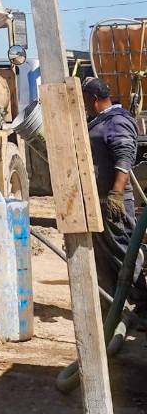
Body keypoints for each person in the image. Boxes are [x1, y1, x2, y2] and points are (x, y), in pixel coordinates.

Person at [81, 76, 142, 299]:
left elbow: (124, 160)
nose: (85, 105)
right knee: (109, 254)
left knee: (123, 251)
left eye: (86, 100)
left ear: (94, 99)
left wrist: (116, 194)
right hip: (101, 199)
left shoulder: (117, 122)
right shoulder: (101, 120)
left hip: (114, 201)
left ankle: (141, 303)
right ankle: (119, 303)